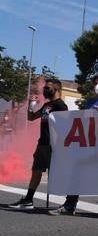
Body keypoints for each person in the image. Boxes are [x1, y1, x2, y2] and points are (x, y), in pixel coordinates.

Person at [50, 74, 98, 216]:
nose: (97, 86)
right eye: (95, 83)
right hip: (90, 143)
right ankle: (69, 205)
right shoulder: (90, 101)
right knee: (77, 172)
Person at [9, 79, 68, 209]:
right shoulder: (47, 105)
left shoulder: (61, 106)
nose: (45, 90)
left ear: (56, 89)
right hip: (42, 143)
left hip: (53, 145)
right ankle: (28, 200)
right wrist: (32, 104)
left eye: (48, 88)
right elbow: (31, 117)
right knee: (36, 171)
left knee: (58, 174)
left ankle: (69, 202)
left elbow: (65, 126)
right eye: (45, 87)